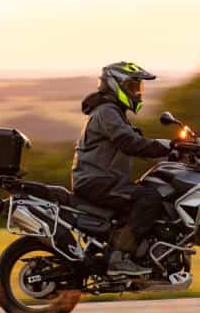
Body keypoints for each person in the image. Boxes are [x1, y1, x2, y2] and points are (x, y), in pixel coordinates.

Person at [71, 62, 171, 277]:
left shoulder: (113, 111)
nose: (138, 93)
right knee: (148, 198)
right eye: (133, 87)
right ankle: (119, 259)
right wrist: (168, 146)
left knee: (147, 192)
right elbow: (128, 142)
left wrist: (173, 151)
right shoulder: (107, 111)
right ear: (116, 85)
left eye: (139, 88)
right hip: (96, 181)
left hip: (103, 179)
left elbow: (136, 142)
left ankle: (123, 253)